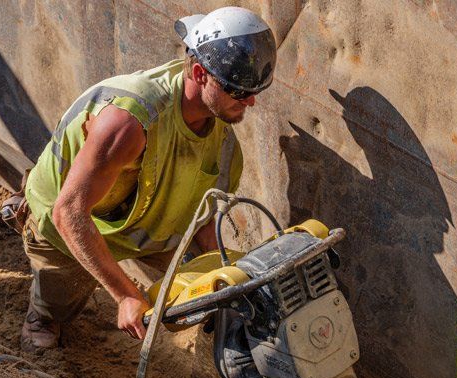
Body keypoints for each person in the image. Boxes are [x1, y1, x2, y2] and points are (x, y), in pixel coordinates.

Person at [17, 7, 277, 350]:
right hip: (69, 217)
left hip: (145, 224)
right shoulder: (130, 121)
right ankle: (42, 311)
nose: (252, 102)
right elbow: (69, 213)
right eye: (239, 91)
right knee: (58, 303)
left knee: (199, 292)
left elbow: (201, 217)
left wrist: (224, 275)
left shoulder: (224, 144)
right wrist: (126, 295)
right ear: (200, 73)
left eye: (256, 90)